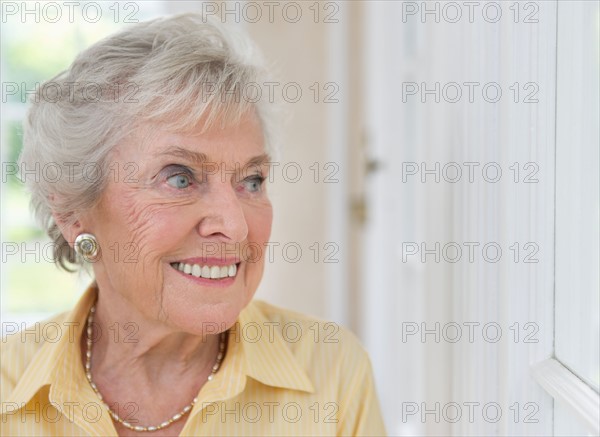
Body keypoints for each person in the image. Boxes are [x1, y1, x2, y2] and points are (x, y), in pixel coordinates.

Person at [0, 13, 386, 436]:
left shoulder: (331, 373)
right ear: (73, 214)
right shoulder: (9, 391)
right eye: (179, 178)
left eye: (251, 181)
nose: (235, 226)